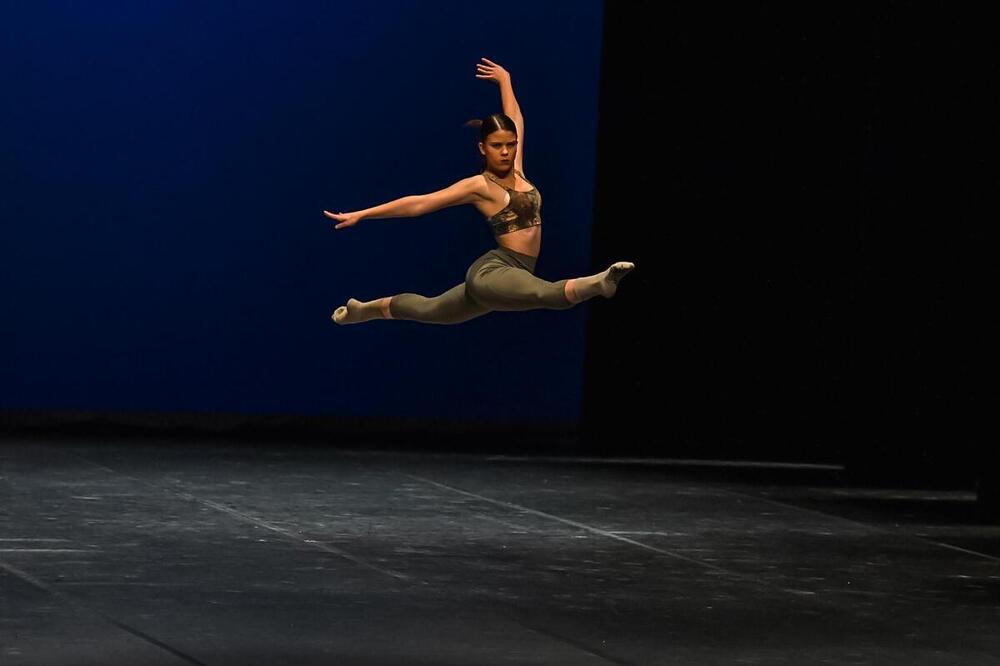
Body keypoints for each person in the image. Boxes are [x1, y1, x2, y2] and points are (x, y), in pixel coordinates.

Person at [323, 57, 633, 325]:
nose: (506, 152)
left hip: (511, 274)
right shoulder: (479, 186)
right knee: (544, 292)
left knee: (431, 309)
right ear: (482, 148)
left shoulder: (518, 170)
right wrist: (363, 214)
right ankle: (599, 283)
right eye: (497, 146)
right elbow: (419, 204)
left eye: (511, 145)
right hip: (494, 271)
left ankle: (363, 311)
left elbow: (516, 118)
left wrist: (505, 81)